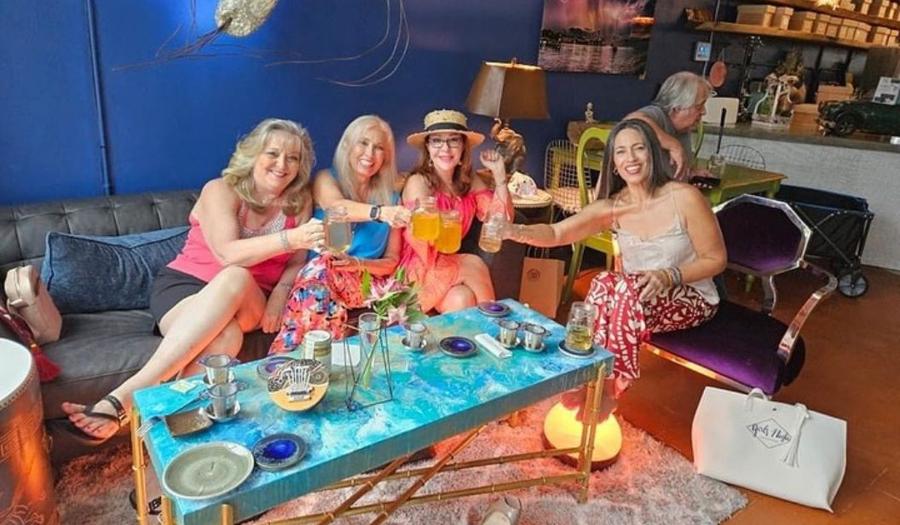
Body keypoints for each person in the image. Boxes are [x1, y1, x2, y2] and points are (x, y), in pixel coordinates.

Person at [61, 118, 325, 442]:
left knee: (237, 279)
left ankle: (129, 396)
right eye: (272, 153)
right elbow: (227, 253)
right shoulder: (220, 190)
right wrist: (292, 238)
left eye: (293, 158)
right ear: (253, 154)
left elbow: (296, 261)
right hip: (184, 289)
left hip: (250, 300)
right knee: (226, 334)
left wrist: (281, 292)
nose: (282, 164)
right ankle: (170, 434)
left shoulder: (299, 203)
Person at [506, 119, 726, 397]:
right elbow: (555, 233)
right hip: (636, 297)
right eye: (621, 151)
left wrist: (670, 275)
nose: (630, 158)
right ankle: (587, 367)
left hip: (693, 297)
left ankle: (608, 385)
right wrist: (513, 231)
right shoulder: (613, 208)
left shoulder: (684, 197)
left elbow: (716, 259)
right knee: (603, 282)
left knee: (623, 287)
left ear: (653, 153)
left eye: (639, 148)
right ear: (613, 163)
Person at [270, 115, 407, 352]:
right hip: (321, 279)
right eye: (363, 143)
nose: (370, 153)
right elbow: (337, 207)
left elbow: (391, 262)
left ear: (386, 157)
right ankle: (321, 354)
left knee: (321, 272)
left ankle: (288, 356)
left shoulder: (392, 198)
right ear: (347, 146)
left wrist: (357, 264)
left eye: (378, 148)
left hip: (361, 281)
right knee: (322, 269)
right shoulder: (326, 179)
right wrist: (381, 213)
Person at [401, 109, 513, 313]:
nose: (445, 148)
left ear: (463, 147)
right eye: (437, 141)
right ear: (428, 147)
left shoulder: (468, 181)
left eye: (453, 140)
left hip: (448, 264)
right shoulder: (419, 181)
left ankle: (482, 331)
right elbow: (420, 238)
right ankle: (496, 323)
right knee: (474, 263)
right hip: (421, 267)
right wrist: (441, 217)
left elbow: (500, 221)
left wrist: (499, 176)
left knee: (462, 299)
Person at [626, 71, 714, 181]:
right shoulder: (657, 114)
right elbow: (632, 120)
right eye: (699, 107)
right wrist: (672, 144)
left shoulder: (683, 128)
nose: (704, 112)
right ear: (677, 108)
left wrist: (690, 173)